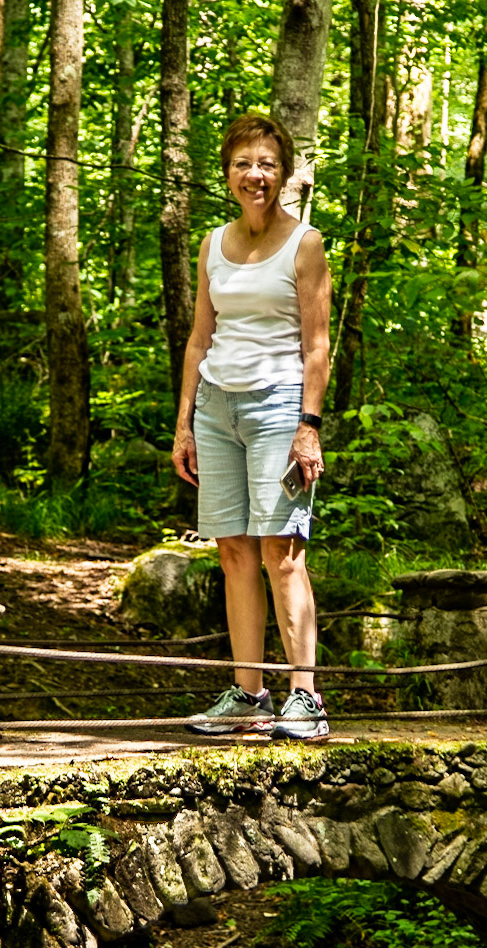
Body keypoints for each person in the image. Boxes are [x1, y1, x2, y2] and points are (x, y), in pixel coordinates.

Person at [171, 114, 331, 741]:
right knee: (234, 550)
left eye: (266, 163)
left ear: (283, 173)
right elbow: (199, 337)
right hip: (216, 407)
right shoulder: (212, 243)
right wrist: (184, 424)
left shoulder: (305, 244)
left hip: (279, 407)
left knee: (281, 551)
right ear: (228, 173)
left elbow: (316, 347)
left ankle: (305, 697)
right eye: (243, 163)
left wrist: (308, 426)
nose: (254, 175)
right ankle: (249, 692)